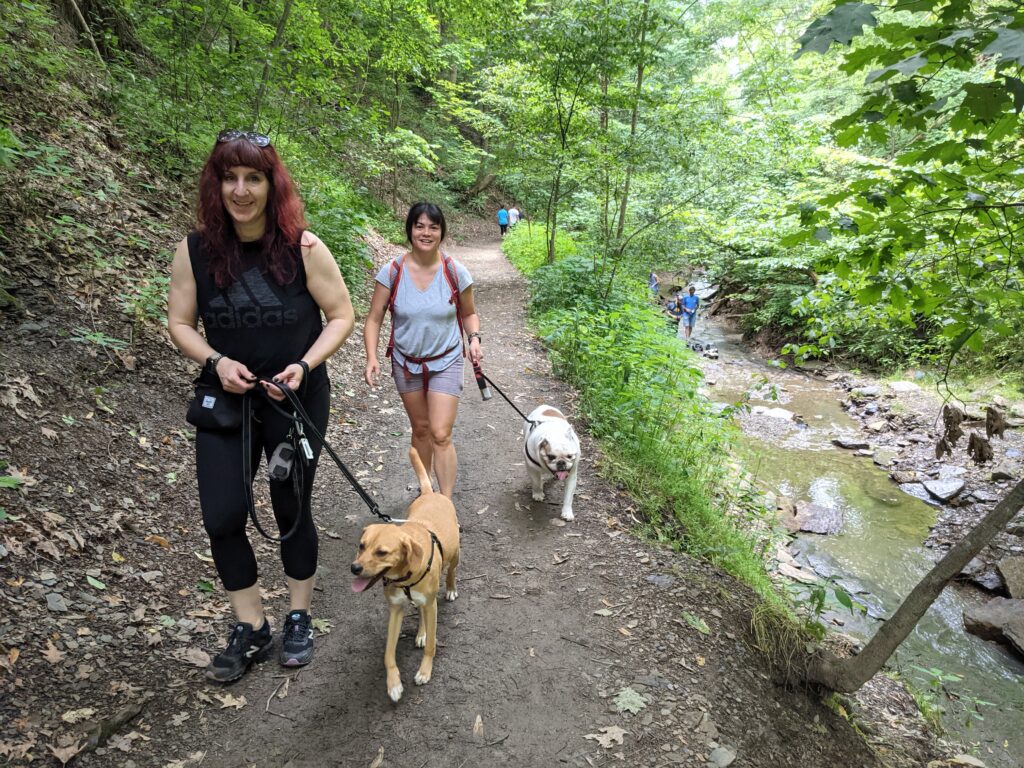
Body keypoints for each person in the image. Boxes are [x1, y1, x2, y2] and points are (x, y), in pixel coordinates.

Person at [167, 129, 355, 682]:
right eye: (231, 177)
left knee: (290, 509)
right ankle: (250, 625)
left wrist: (305, 364)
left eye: (254, 178)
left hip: (292, 402)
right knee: (222, 515)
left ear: (273, 186)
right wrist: (216, 360)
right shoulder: (195, 251)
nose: (241, 190)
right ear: (216, 184)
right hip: (225, 403)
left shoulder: (304, 248)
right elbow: (180, 322)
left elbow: (341, 314)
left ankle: (298, 614)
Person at [363, 203, 483, 499]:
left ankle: (443, 503)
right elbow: (374, 318)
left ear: (442, 233)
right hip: (406, 362)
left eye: (433, 227)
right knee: (420, 429)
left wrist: (475, 338)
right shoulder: (392, 271)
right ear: (410, 230)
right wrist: (371, 357)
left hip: (447, 359)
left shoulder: (454, 271)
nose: (426, 232)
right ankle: (426, 493)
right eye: (420, 226)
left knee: (440, 433)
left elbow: (469, 313)